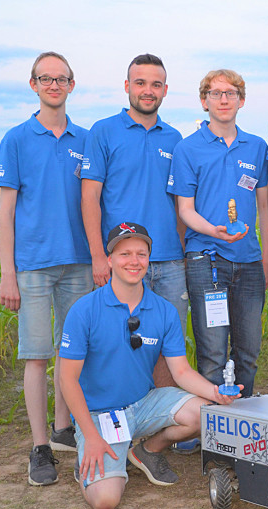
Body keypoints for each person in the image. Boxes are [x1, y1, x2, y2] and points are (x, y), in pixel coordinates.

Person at [59, 222, 241, 509]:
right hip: (100, 416)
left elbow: (180, 372)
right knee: (105, 500)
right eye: (125, 254)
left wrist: (216, 393)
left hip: (143, 404)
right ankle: (89, 459)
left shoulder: (163, 310)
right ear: (109, 260)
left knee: (205, 415)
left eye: (141, 254)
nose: (134, 261)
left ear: (148, 259)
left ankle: (146, 451)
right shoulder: (84, 310)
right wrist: (91, 437)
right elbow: (67, 379)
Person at [0, 51, 93, 486]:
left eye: (62, 79)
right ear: (33, 84)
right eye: (45, 78)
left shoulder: (86, 140)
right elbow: (5, 214)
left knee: (73, 353)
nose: (54, 85)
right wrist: (7, 272)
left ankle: (64, 429)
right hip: (32, 266)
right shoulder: (16, 139)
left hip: (80, 263)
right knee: (37, 357)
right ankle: (40, 448)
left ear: (72, 85)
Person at [168, 69, 268, 398]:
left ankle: (246, 429)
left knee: (249, 353)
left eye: (231, 93)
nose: (223, 99)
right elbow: (185, 209)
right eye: (215, 93)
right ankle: (213, 431)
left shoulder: (256, 147)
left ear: (241, 100)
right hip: (206, 261)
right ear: (204, 101)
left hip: (249, 262)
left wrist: (266, 259)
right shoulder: (188, 149)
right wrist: (214, 230)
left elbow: (265, 208)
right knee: (213, 353)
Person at [81, 53, 187, 339]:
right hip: (122, 259)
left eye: (156, 84)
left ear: (165, 90)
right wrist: (98, 256)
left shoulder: (175, 138)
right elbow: (90, 197)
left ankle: (164, 388)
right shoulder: (103, 132)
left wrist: (183, 251)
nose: (148, 91)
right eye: (141, 83)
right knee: (118, 343)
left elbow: (180, 203)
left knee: (168, 344)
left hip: (170, 262)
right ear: (127, 86)